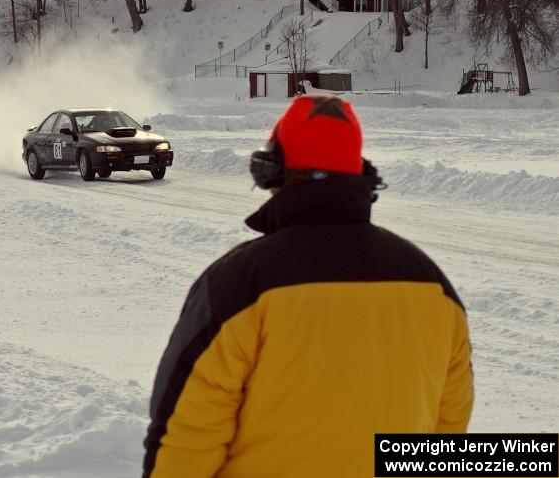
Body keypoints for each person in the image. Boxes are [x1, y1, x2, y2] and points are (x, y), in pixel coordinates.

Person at [143, 94, 473, 478]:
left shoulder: (238, 284)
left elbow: (186, 434)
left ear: (273, 171)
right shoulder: (432, 285)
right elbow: (449, 430)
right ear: (360, 174)